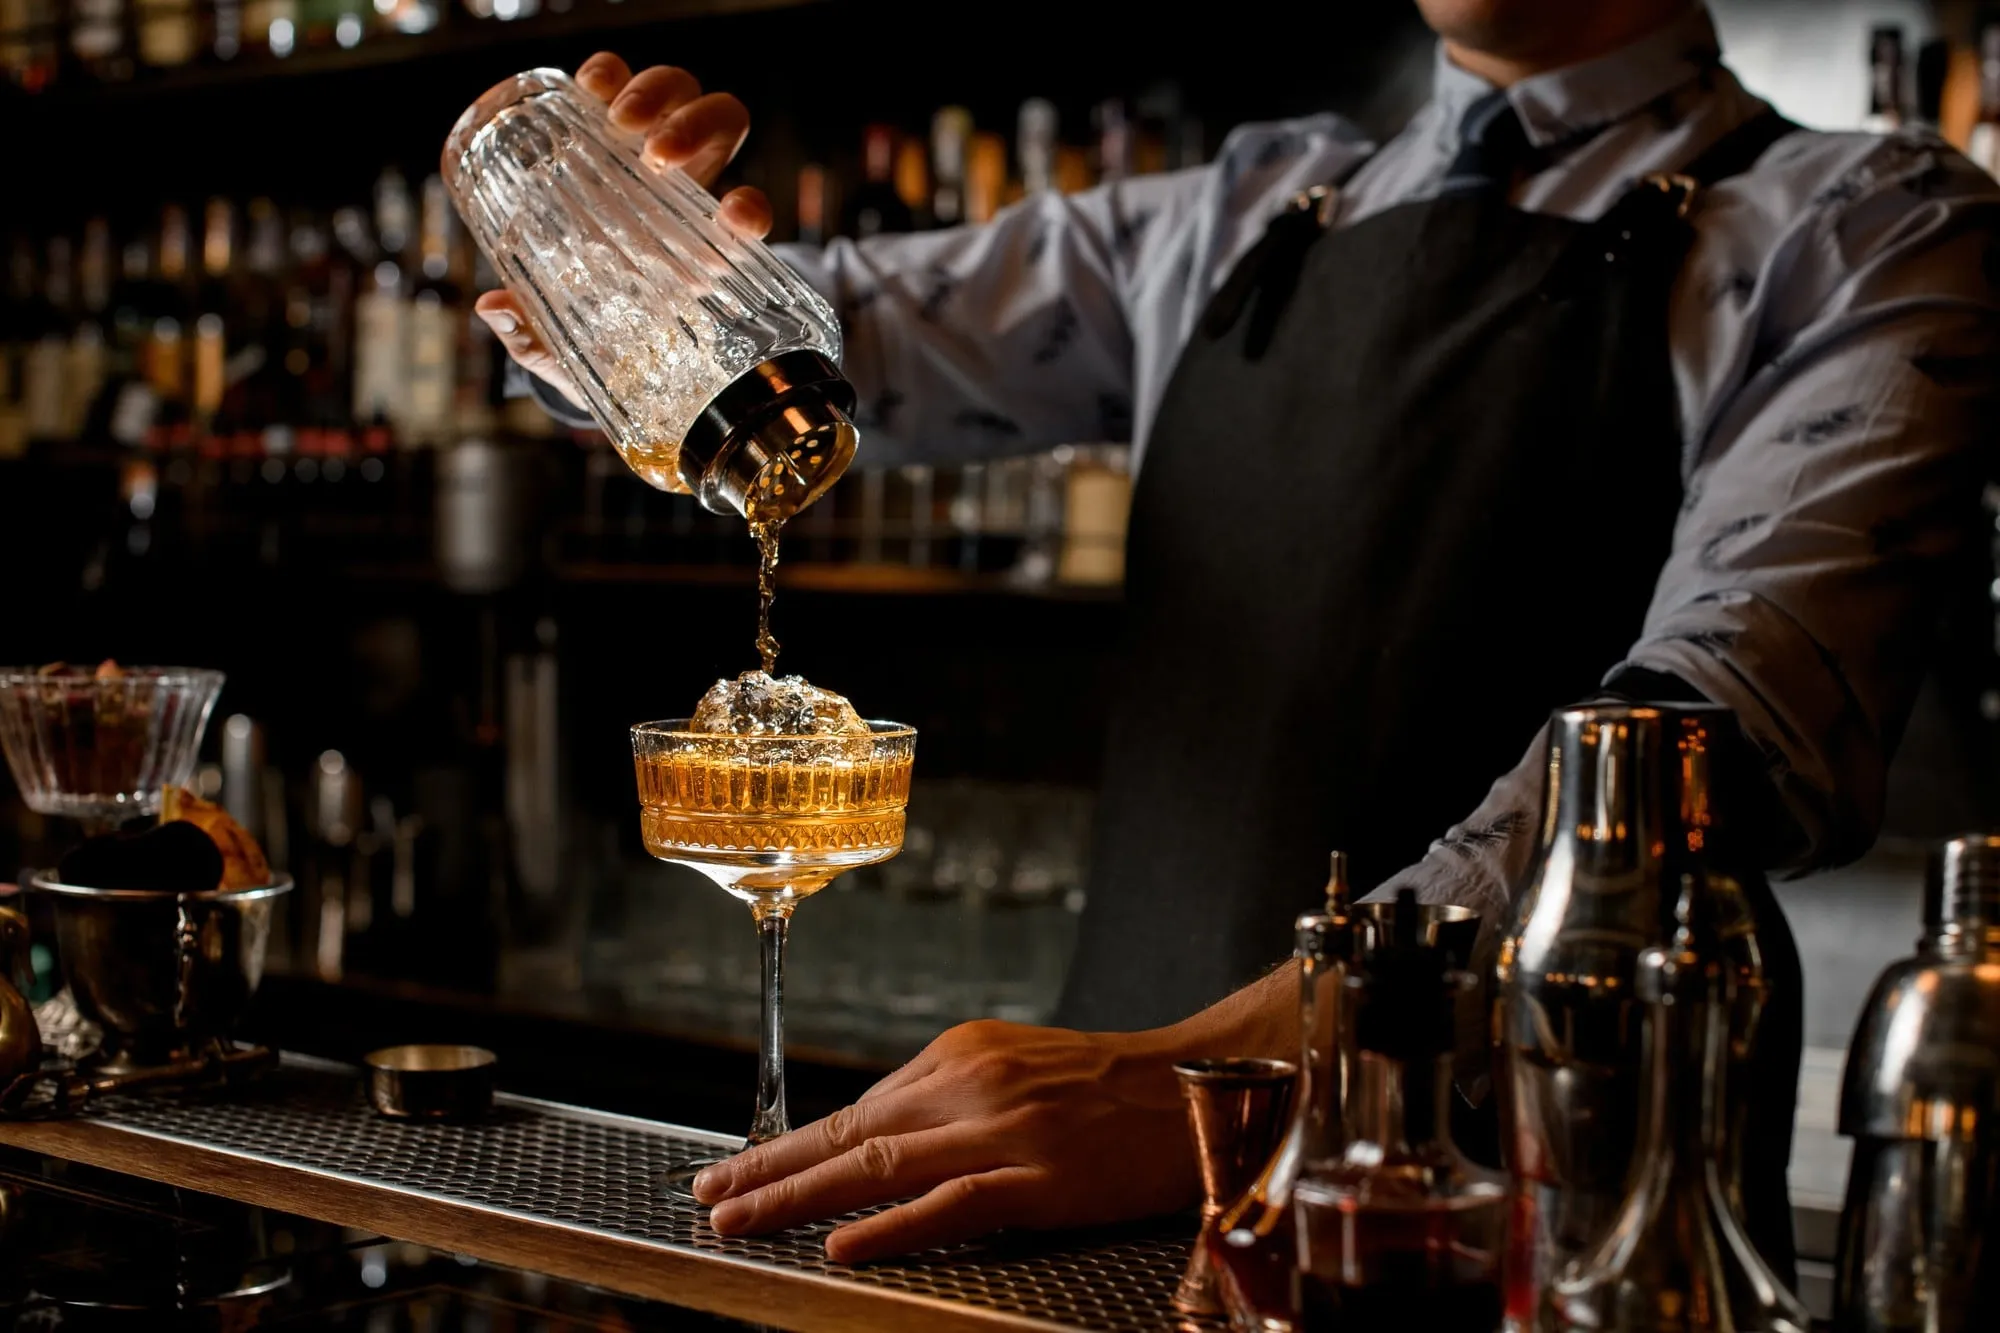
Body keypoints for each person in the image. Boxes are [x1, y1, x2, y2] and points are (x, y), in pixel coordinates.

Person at [475, 0, 2000, 1265]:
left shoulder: (1876, 228)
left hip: (1550, 1224)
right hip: (1109, 1201)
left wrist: (1247, 1061)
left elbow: (1724, 726)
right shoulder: (1239, 215)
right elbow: (810, 337)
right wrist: (575, 233)